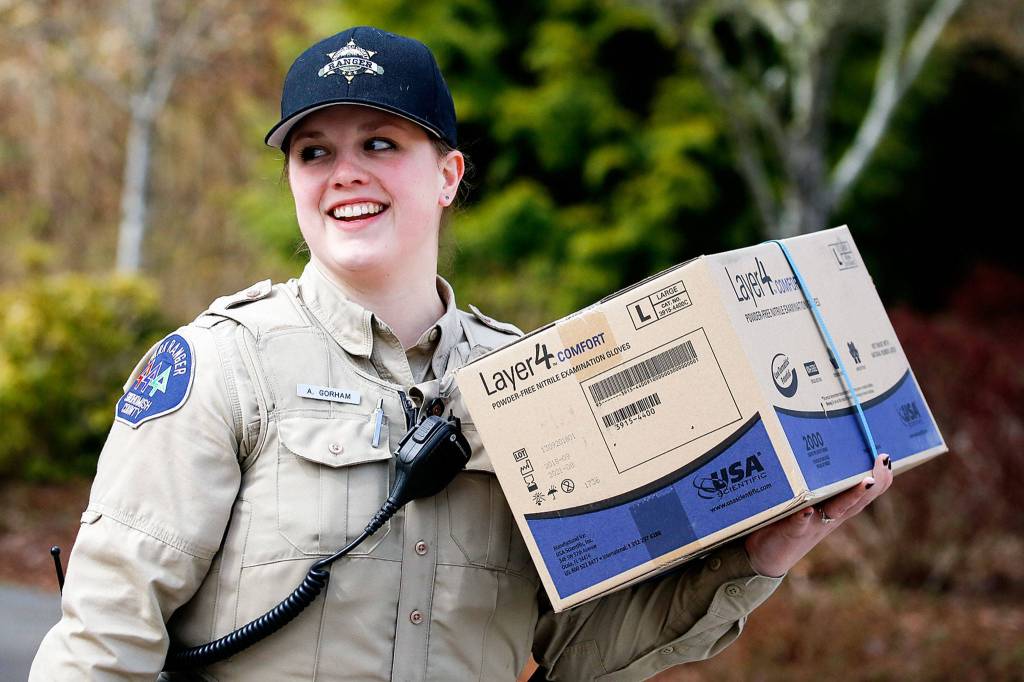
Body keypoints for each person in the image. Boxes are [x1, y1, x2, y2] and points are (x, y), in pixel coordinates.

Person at [30, 26, 893, 681]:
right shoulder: (223, 367)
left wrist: (757, 559)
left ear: (446, 176)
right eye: (314, 151)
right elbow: (106, 637)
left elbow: (581, 648)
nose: (344, 173)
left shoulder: (536, 383)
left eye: (380, 143)